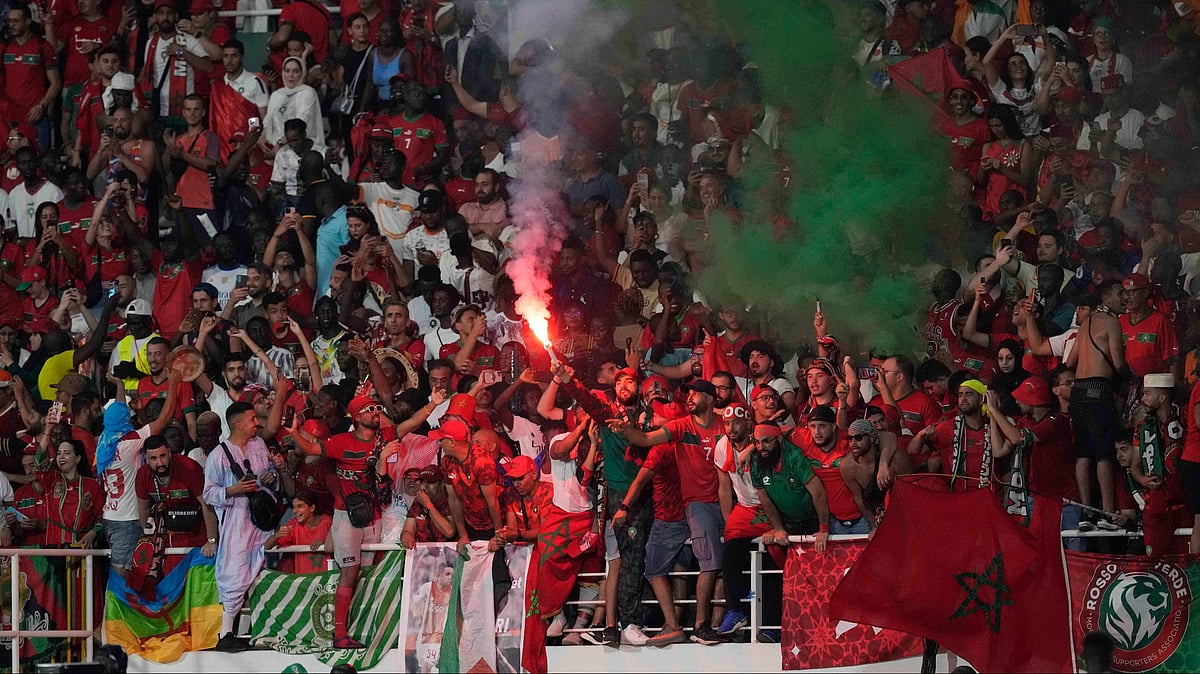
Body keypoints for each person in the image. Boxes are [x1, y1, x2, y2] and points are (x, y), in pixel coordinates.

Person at [608, 379, 726, 645]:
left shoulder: (723, 424)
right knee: (665, 566)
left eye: (696, 394)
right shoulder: (681, 428)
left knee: (718, 562)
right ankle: (687, 626)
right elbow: (644, 440)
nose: (690, 397)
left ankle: (693, 625)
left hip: (720, 502)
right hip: (690, 507)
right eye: (689, 394)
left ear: (710, 398)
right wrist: (627, 430)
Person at [203, 402, 281, 651]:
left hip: (261, 521)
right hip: (236, 523)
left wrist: (272, 476)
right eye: (252, 420)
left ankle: (261, 630)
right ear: (238, 424)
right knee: (234, 574)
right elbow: (208, 493)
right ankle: (226, 634)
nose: (257, 423)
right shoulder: (218, 455)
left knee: (263, 569)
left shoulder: (259, 445)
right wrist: (232, 490)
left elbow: (270, 474)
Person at [98, 369, 181, 571]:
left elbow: (119, 412)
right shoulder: (129, 443)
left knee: (127, 569)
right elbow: (164, 419)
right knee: (124, 572)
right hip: (127, 520)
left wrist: (120, 386)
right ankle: (120, 603)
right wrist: (172, 385)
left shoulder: (104, 441)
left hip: (112, 516)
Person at [135, 434, 218, 559]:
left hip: (195, 532)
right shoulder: (142, 475)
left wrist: (212, 540)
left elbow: (206, 505)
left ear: (169, 452)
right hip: (167, 535)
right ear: (146, 459)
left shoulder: (190, 468)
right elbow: (144, 508)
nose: (160, 463)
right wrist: (149, 540)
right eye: (153, 458)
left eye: (162, 456)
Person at [265, 491, 332, 574]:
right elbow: (267, 546)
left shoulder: (328, 522)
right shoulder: (293, 524)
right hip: (303, 581)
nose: (295, 511)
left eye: (299, 506)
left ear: (312, 508)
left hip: (327, 580)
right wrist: (276, 536)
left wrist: (325, 542)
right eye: (293, 507)